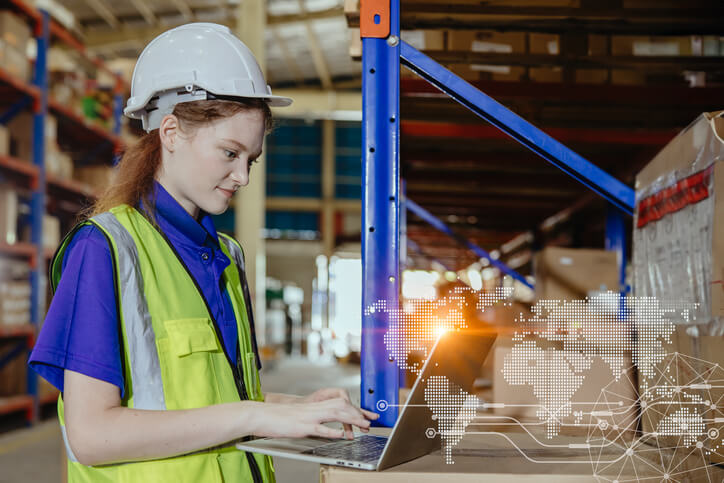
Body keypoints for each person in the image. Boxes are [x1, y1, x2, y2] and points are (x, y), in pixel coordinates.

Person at [29, 23, 377, 483]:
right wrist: (254, 417)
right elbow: (91, 435)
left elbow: (209, 401)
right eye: (229, 153)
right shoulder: (106, 249)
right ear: (171, 132)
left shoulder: (226, 257)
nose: (243, 177)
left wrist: (293, 408)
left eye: (250, 159)